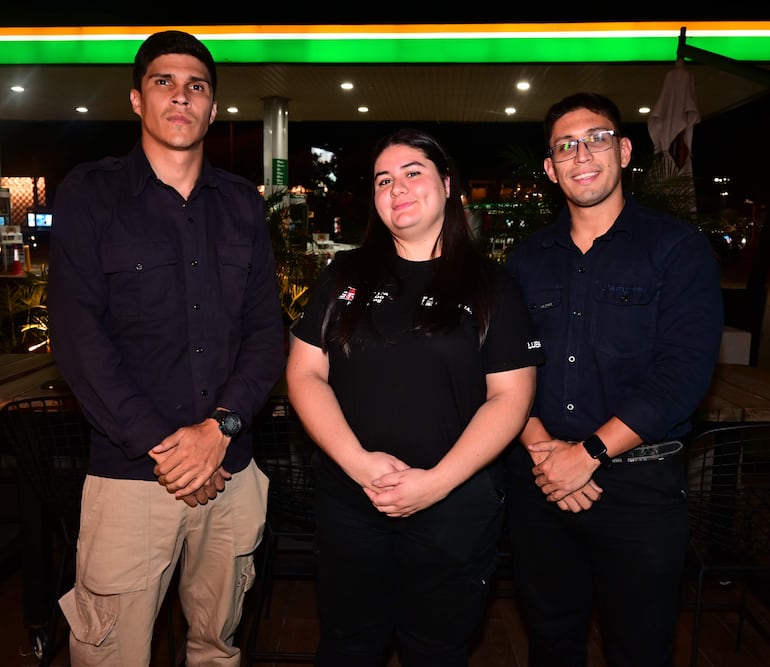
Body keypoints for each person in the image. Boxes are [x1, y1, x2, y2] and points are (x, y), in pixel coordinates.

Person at [47, 30, 285, 665]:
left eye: (197, 86)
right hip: (130, 474)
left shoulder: (241, 205)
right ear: (136, 99)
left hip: (232, 470)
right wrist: (169, 447)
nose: (181, 97)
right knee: (109, 655)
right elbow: (78, 339)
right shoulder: (90, 195)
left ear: (212, 108)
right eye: (164, 82)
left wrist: (220, 431)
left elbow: (267, 331)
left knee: (218, 648)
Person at [286, 127, 544, 667]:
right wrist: (359, 466)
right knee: (347, 647)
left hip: (453, 507)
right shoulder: (344, 275)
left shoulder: (492, 285)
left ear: (448, 185)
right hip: (351, 500)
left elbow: (510, 399)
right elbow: (306, 374)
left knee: (438, 651)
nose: (397, 188)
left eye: (413, 173)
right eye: (384, 179)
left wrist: (434, 484)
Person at [504, 91, 724, 667]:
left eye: (597, 138)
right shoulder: (525, 261)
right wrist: (546, 453)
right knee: (551, 642)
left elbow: (683, 372)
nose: (583, 154)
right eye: (566, 145)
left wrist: (591, 453)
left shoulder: (678, 250)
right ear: (550, 168)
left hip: (640, 486)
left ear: (624, 151)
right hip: (540, 481)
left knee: (640, 649)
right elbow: (501, 365)